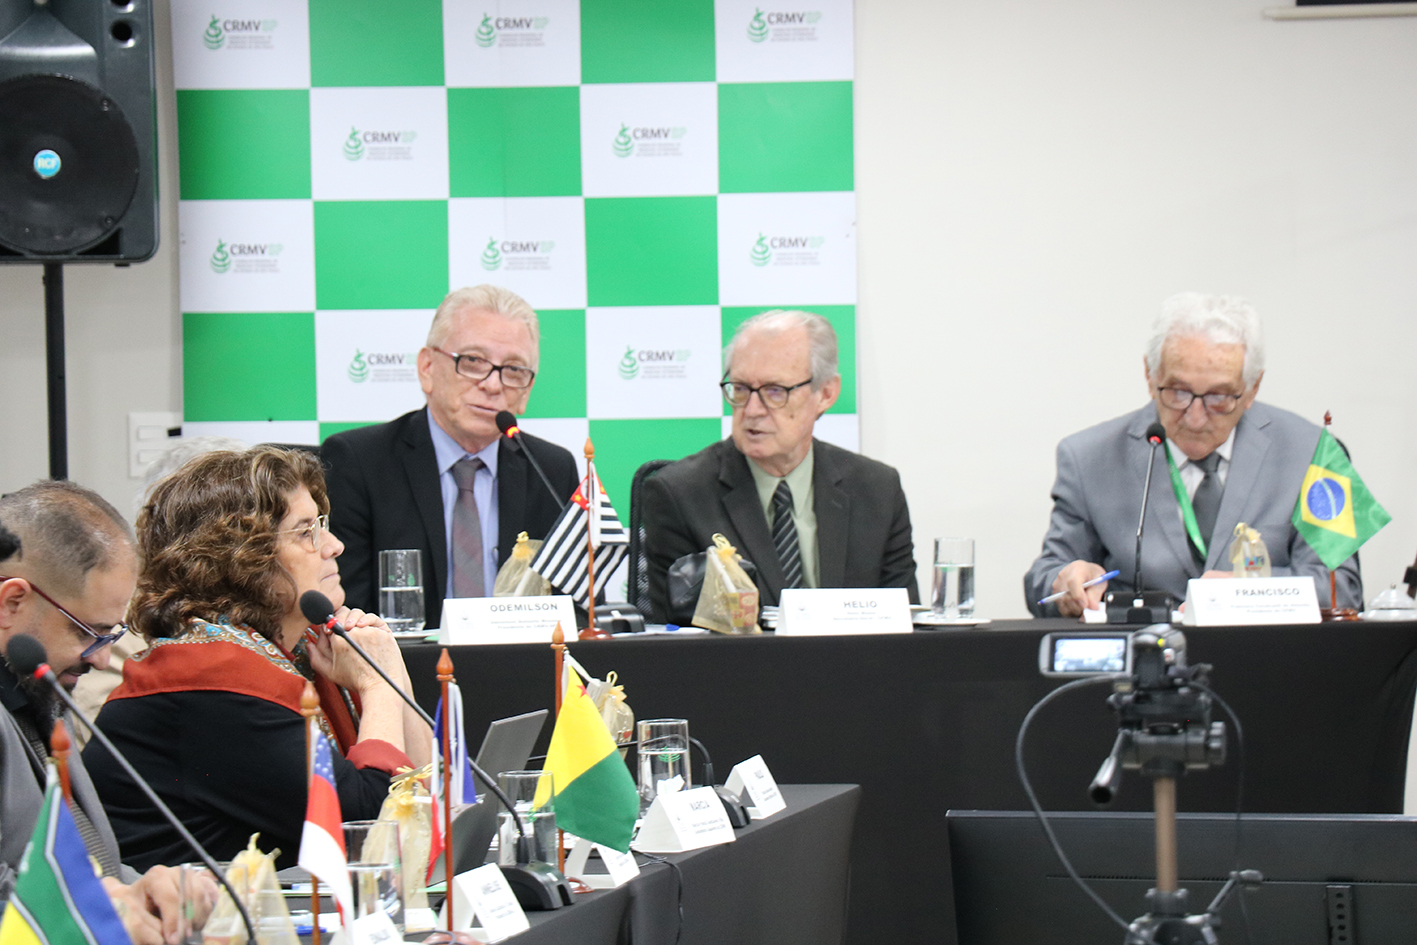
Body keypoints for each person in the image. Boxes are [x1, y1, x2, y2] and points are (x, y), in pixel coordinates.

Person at [83, 448, 431, 870]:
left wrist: (390, 671)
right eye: (307, 532)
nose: (335, 546)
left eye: (323, 526)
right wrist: (378, 687)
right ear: (241, 558)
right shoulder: (207, 681)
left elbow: (428, 804)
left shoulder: (297, 650)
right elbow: (369, 834)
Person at [1024, 292, 1363, 617]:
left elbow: (1342, 588)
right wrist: (1066, 579)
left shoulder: (1318, 454)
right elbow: (1042, 582)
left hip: (1270, 663)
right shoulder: (1088, 458)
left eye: (1219, 397)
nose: (1196, 417)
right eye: (1178, 392)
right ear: (1149, 374)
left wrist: (1245, 593)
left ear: (1253, 388)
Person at [0, 481, 210, 943]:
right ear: (12, 602)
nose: (99, 659)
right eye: (87, 632)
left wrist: (148, 890)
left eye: (109, 636)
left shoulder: (39, 693)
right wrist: (98, 908)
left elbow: (91, 873)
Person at [323, 285, 579, 630]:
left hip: (522, 673)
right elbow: (343, 610)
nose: (492, 385)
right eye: (473, 361)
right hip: (404, 672)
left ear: (527, 390)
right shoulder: (360, 462)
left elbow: (577, 609)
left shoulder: (551, 470)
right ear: (427, 367)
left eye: (514, 370)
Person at [642, 310, 919, 621]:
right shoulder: (680, 495)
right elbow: (685, 640)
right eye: (741, 389)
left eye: (775, 391)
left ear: (826, 394)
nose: (752, 409)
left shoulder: (877, 490)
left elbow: (903, 626)